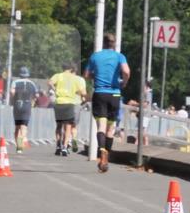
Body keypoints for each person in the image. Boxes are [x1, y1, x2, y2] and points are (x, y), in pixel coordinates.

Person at [84, 33, 130, 173]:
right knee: (111, 128)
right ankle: (106, 156)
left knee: (101, 127)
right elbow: (126, 71)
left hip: (100, 93)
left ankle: (101, 151)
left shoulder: (95, 56)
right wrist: (124, 83)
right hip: (115, 94)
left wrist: (94, 76)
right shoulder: (119, 56)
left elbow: (86, 75)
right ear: (114, 44)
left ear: (103, 43)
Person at [50, 62, 87, 156]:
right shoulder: (76, 79)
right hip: (71, 103)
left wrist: (55, 90)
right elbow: (84, 93)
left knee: (59, 125)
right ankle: (65, 147)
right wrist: (81, 95)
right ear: (72, 69)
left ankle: (58, 145)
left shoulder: (58, 76)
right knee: (69, 127)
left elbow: (50, 82)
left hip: (59, 102)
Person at [10, 66, 38, 154]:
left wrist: (13, 99)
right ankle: (20, 146)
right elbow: (36, 96)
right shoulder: (32, 83)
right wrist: (32, 103)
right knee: (24, 127)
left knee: (17, 127)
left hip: (17, 105)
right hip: (27, 105)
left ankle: (18, 145)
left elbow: (12, 92)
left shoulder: (15, 82)